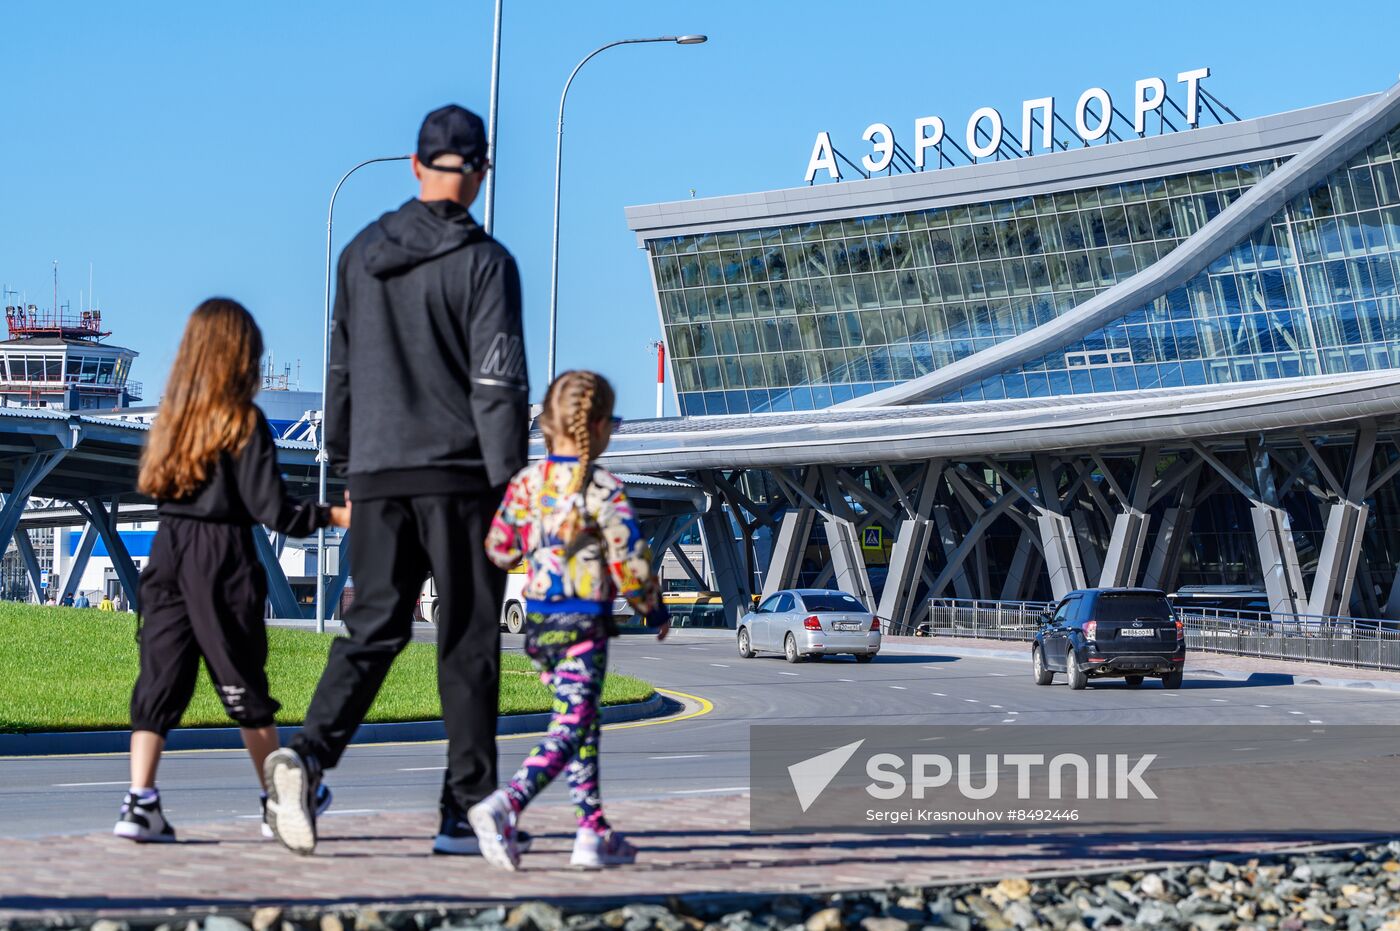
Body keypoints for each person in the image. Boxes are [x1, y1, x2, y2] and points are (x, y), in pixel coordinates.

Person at [263, 103, 529, 857]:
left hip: (376, 470)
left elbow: (339, 371)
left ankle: (309, 758)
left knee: (374, 627)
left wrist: (345, 469)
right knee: (469, 640)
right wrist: (514, 488)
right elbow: (497, 386)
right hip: (460, 475)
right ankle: (463, 808)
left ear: (415, 167)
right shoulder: (487, 264)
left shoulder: (357, 255)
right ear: (478, 174)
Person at [112, 299, 350, 843]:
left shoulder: (171, 421)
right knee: (243, 685)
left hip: (168, 553)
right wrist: (335, 512)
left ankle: (139, 802)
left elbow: (154, 487)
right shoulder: (244, 423)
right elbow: (275, 510)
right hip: (222, 558)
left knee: (159, 681)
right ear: (242, 357)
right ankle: (278, 802)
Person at [469, 371, 670, 871]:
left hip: (539, 628)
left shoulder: (527, 483)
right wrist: (653, 609)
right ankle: (505, 804)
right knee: (572, 723)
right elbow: (631, 562)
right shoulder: (602, 487)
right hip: (583, 626)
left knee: (582, 722)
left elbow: (498, 548)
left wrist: (536, 543)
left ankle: (591, 831)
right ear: (598, 427)